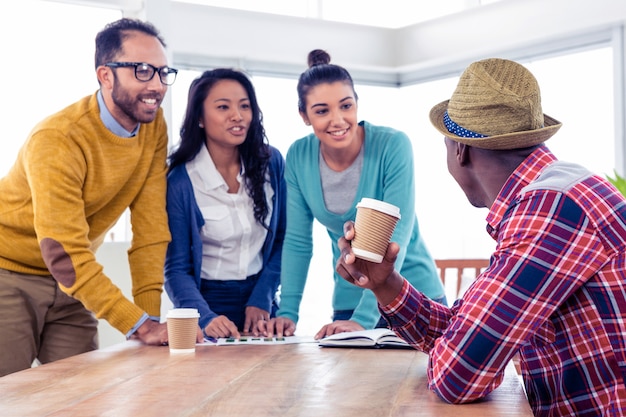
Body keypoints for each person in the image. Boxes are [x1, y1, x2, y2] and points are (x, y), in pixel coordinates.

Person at [335, 58, 626, 416]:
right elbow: (466, 331)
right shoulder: (555, 194)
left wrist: (463, 348)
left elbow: (459, 375)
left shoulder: (550, 210)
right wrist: (385, 283)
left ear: (460, 149)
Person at [0, 18, 177, 377]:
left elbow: (151, 231)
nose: (156, 85)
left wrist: (151, 322)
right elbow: (61, 250)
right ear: (105, 75)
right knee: (9, 393)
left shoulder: (152, 126)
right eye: (142, 71)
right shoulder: (59, 138)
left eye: (162, 72)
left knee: (82, 396)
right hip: (9, 271)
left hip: (73, 284)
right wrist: (138, 325)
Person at [260, 49, 446, 340]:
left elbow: (396, 236)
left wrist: (363, 320)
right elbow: (297, 241)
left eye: (346, 106)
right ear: (304, 116)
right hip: (350, 301)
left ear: (357, 104)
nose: (338, 120)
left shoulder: (392, 145)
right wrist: (287, 314)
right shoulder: (299, 155)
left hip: (413, 297)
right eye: (322, 111)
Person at [164, 69, 286, 340]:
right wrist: (205, 317)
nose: (238, 116)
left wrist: (262, 297)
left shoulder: (272, 163)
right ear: (199, 118)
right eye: (223, 107)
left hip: (262, 303)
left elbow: (282, 240)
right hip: (206, 306)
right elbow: (176, 269)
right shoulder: (181, 181)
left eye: (245, 106)